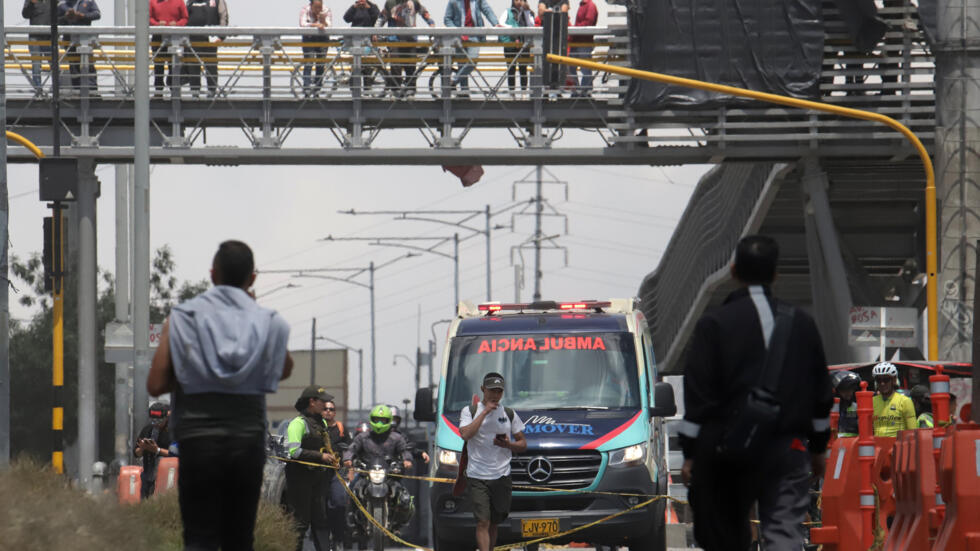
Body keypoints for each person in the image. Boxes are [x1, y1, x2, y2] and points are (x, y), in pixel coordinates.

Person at [678, 235, 833, 551]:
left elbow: (697, 399)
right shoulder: (802, 324)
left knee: (727, 535)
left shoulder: (713, 325)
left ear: (733, 271)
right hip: (788, 448)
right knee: (784, 532)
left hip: (727, 451)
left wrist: (690, 453)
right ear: (776, 274)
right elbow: (821, 393)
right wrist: (818, 449)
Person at [147, 240, 293, 551]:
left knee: (199, 537)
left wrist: (190, 372)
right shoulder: (269, 322)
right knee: (240, 539)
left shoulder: (183, 319)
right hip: (246, 444)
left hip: (198, 444)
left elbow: (155, 384)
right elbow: (284, 368)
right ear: (252, 279)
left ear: (212, 274)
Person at [459, 373, 528, 551]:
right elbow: (465, 434)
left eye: (499, 391)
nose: (495, 395)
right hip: (477, 475)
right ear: (483, 390)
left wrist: (508, 444)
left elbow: (523, 444)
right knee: (483, 521)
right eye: (491, 390)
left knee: (494, 523)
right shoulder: (470, 411)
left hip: (501, 475)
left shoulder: (509, 413)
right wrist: (485, 412)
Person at [343, 405, 416, 533]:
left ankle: (398, 523)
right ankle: (354, 522)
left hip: (390, 475)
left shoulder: (396, 438)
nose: (379, 423)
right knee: (352, 493)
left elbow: (405, 451)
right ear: (371, 419)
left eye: (383, 420)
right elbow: (352, 449)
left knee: (404, 498)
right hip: (366, 474)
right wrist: (348, 459)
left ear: (389, 421)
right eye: (376, 420)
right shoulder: (363, 437)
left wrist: (407, 460)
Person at [285, 386, 337, 551]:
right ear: (312, 402)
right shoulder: (298, 424)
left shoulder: (321, 424)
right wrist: (320, 457)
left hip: (318, 481)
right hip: (300, 481)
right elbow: (294, 452)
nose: (326, 405)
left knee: (320, 520)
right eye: (322, 401)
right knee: (300, 522)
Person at [379, 0, 435, 98]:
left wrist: (431, 23)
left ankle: (411, 89)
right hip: (394, 39)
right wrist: (375, 31)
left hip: (410, 39)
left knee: (411, 64)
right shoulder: (390, 3)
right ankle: (396, 89)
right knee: (395, 64)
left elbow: (424, 12)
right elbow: (381, 18)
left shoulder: (414, 2)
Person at [444, 0, 499, 97]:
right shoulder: (453, 2)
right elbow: (447, 19)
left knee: (473, 60)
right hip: (459, 37)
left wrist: (495, 23)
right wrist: (457, 31)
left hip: (474, 35)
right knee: (462, 65)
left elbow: (487, 10)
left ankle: (453, 81)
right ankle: (464, 94)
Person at [321, 398, 351, 550]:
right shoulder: (317, 427)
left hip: (336, 473)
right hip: (317, 473)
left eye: (331, 409)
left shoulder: (340, 428)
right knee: (320, 508)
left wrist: (347, 461)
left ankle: (339, 538)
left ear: (335, 412)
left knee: (339, 502)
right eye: (325, 408)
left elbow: (349, 448)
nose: (328, 411)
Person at [184, 0, 229, 98]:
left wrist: (221, 36)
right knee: (193, 67)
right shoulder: (190, 2)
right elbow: (185, 17)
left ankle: (211, 91)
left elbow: (223, 17)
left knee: (211, 66)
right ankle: (195, 93)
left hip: (210, 39)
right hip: (193, 39)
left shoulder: (218, 1)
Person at [58, 0, 101, 95]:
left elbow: (97, 14)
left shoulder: (88, 1)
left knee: (88, 66)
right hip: (70, 41)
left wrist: (82, 16)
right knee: (74, 67)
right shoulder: (62, 4)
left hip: (86, 40)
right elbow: (55, 21)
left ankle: (92, 93)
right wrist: (66, 17)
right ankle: (77, 92)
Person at [133, 402, 174, 499]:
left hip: (166, 475)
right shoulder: (147, 430)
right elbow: (136, 453)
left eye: (159, 421)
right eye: (153, 420)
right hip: (147, 474)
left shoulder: (173, 432)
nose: (155, 423)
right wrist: (143, 448)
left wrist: (157, 450)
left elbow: (176, 454)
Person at [150, 0, 188, 97]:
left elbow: (185, 18)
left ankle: (174, 90)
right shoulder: (153, 2)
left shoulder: (179, 1)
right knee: (158, 66)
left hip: (174, 37)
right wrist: (157, 24)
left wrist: (177, 24)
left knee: (174, 65)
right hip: (158, 38)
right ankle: (158, 91)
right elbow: (148, 18)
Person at [871, 361, 916, 437]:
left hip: (898, 446)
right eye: (879, 380)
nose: (882, 383)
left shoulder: (905, 401)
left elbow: (913, 432)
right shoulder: (871, 401)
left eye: (886, 380)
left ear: (894, 380)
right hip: (877, 447)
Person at [499, 0, 534, 96]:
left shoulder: (527, 13)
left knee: (523, 69)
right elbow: (501, 23)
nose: (519, 2)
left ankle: (523, 92)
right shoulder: (508, 11)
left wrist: (526, 12)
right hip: (510, 45)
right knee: (511, 69)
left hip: (524, 45)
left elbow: (531, 25)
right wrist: (512, 28)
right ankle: (512, 93)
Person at [299, 0, 332, 98]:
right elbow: (302, 24)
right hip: (309, 38)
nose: (319, 10)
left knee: (320, 65)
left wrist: (323, 21)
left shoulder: (326, 10)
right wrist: (315, 24)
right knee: (309, 63)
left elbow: (329, 25)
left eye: (320, 7)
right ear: (311, 5)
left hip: (323, 39)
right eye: (316, 7)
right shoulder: (305, 10)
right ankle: (307, 89)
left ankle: (317, 89)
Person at [22, 0, 53, 94]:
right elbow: (25, 14)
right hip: (35, 37)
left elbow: (60, 13)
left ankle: (56, 89)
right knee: (36, 65)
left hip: (49, 37)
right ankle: (38, 90)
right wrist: (31, 3)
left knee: (55, 64)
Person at [569, 0, 596, 97]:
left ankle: (585, 91)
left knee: (585, 68)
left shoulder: (590, 6)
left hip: (584, 42)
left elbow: (589, 22)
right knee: (570, 66)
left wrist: (574, 29)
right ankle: (577, 90)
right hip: (576, 42)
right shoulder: (583, 5)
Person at [831, 370, 861, 437]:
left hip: (853, 445)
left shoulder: (854, 407)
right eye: (845, 389)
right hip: (834, 445)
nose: (849, 392)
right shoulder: (830, 408)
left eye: (851, 389)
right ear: (837, 390)